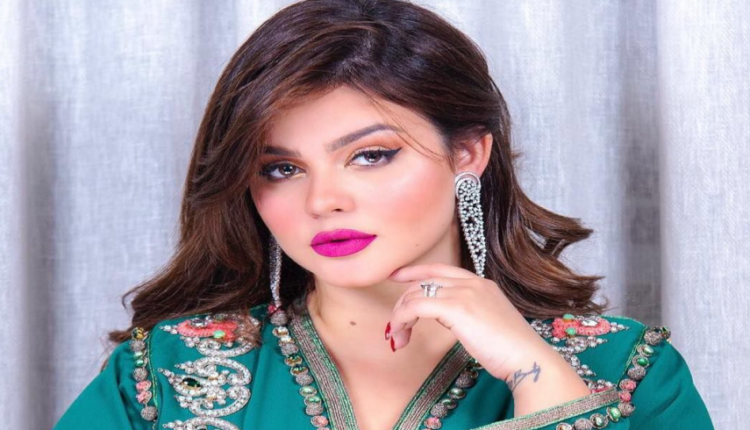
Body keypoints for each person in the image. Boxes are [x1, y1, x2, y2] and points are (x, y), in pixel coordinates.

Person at [53, 0, 715, 429]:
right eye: (281, 168)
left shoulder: (630, 372)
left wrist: (537, 377)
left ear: (467, 153)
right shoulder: (161, 379)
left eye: (370, 156)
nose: (323, 200)